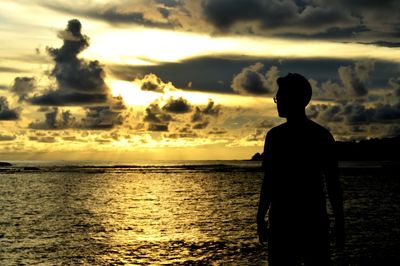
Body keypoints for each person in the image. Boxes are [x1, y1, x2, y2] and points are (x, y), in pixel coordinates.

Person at [256, 73, 344, 265]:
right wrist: (339, 220)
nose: (277, 103)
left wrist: (260, 216)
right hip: (312, 220)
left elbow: (270, 181)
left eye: (279, 98)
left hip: (286, 222)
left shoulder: (276, 137)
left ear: (294, 99)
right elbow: (333, 184)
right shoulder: (322, 135)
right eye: (276, 99)